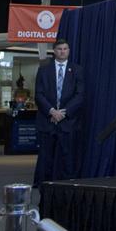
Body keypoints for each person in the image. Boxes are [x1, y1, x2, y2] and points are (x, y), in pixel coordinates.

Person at [34, 39, 84, 183]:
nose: (63, 51)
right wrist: (52, 111)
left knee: (68, 157)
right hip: (47, 120)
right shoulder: (44, 70)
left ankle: (67, 185)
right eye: (60, 49)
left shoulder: (77, 70)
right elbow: (39, 94)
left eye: (65, 49)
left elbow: (80, 95)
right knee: (46, 156)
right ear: (54, 51)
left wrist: (63, 113)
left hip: (68, 121)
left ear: (69, 51)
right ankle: (44, 184)